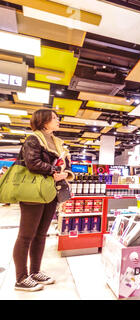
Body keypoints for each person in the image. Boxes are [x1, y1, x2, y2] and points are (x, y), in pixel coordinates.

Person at [12, 109, 74, 291]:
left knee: (40, 234)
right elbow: (32, 163)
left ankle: (35, 271)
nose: (58, 120)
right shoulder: (34, 139)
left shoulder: (57, 143)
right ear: (43, 121)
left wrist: (64, 171)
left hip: (51, 192)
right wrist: (53, 172)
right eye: (54, 118)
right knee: (26, 236)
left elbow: (63, 165)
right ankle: (20, 278)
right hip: (33, 192)